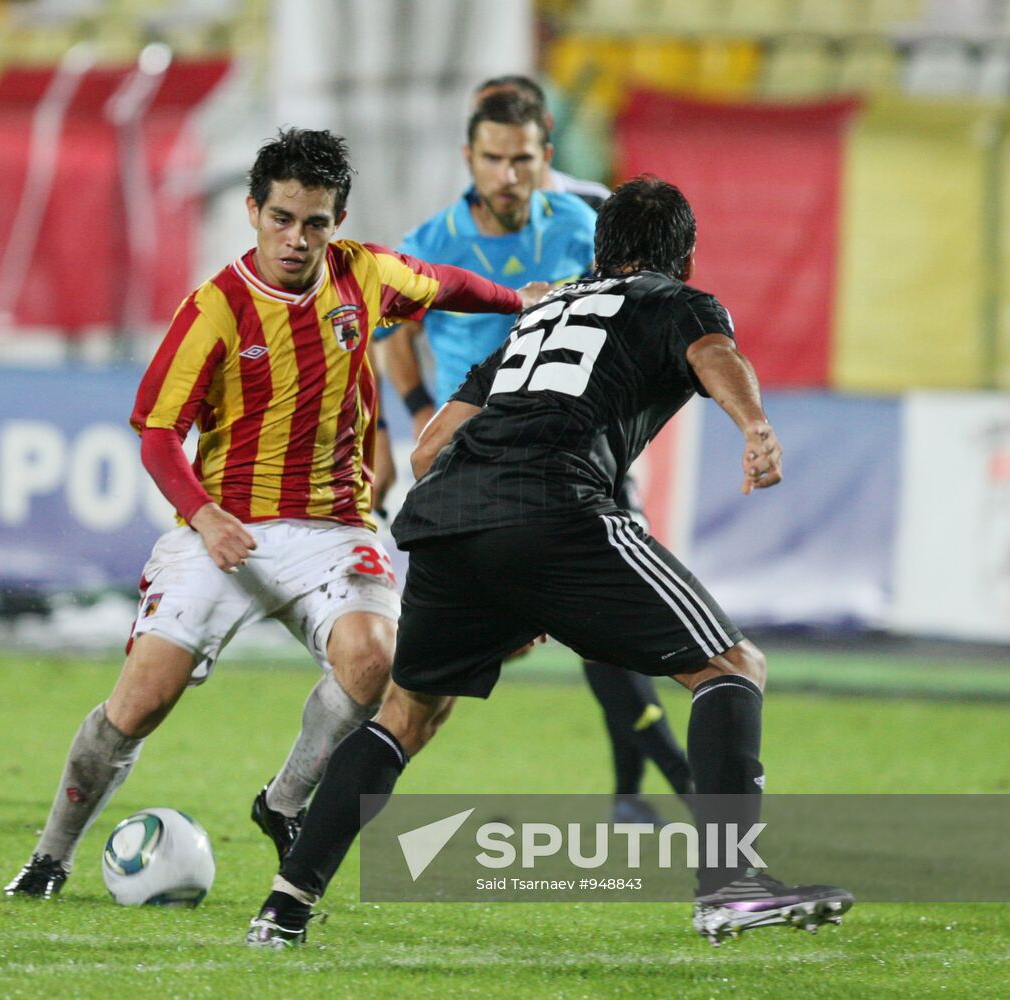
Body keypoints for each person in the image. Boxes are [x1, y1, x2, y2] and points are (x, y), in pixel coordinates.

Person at [245, 176, 853, 947]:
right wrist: (755, 424)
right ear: (685, 259)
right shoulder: (677, 301)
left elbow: (429, 448)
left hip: (449, 518)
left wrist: (510, 586)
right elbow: (712, 354)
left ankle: (283, 909)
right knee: (731, 667)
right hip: (557, 503)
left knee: (405, 713)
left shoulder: (543, 314)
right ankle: (729, 885)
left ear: (598, 250)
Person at [4, 127, 551, 899]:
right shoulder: (215, 310)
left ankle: (283, 799)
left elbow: (444, 282)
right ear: (253, 212)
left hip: (332, 528)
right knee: (139, 702)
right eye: (283, 219)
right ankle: (49, 858)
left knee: (373, 663)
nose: (297, 239)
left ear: (336, 221)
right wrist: (201, 514)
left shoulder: (364, 274)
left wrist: (517, 299)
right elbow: (158, 435)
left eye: (316, 222)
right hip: (224, 527)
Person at [375, 82, 692, 826]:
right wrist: (424, 419)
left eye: (521, 160)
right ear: (470, 157)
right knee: (433, 679)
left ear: (543, 158)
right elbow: (395, 336)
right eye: (493, 159)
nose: (507, 175)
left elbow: (626, 302)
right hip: (469, 455)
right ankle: (655, 792)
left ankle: (653, 791)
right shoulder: (433, 241)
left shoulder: (579, 223)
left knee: (609, 628)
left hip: (573, 448)